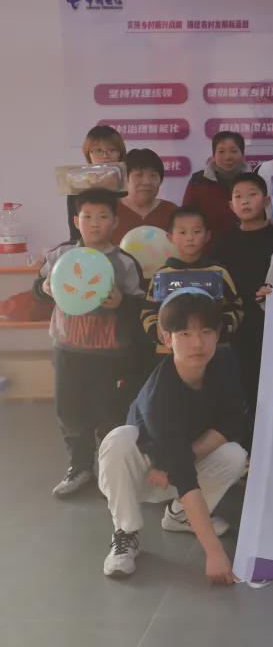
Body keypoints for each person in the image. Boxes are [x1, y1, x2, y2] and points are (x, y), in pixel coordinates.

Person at [98, 289, 247, 582]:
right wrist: (214, 552)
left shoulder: (225, 362)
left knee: (235, 455)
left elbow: (234, 422)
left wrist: (179, 458)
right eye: (185, 334)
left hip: (172, 465)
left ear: (218, 334)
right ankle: (125, 532)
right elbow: (183, 475)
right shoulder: (160, 394)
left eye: (206, 332)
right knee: (119, 439)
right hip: (143, 474)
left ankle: (181, 516)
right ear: (167, 339)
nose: (198, 343)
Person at [34, 189, 145, 497]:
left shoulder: (124, 262)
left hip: (110, 355)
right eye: (87, 216)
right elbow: (37, 289)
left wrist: (121, 303)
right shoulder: (60, 255)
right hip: (67, 350)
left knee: (110, 413)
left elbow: (141, 306)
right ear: (76, 220)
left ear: (115, 222)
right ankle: (80, 467)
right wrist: (44, 288)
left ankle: (112, 472)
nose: (95, 223)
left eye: (103, 216)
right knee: (70, 411)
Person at [212, 174, 273, 423]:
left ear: (266, 200)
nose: (245, 201)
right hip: (236, 330)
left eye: (252, 195)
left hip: (272, 328)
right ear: (231, 205)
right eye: (238, 196)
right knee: (241, 389)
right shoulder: (222, 243)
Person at [141, 206, 243, 356]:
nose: (190, 238)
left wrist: (221, 329)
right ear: (170, 237)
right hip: (169, 353)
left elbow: (236, 308)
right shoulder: (162, 274)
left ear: (207, 235)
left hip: (214, 351)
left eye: (196, 231)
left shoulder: (218, 273)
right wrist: (156, 330)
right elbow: (149, 311)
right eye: (182, 232)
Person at [182, 131, 251, 245]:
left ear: (242, 154)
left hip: (247, 245)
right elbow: (186, 218)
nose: (228, 157)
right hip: (208, 248)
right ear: (214, 155)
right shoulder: (198, 181)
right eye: (221, 151)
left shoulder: (254, 180)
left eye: (233, 151)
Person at [68, 125, 128, 241]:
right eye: (98, 150)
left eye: (112, 150)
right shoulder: (77, 186)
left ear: (120, 153)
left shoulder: (129, 184)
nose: (105, 155)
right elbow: (75, 234)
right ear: (88, 154)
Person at [114, 149, 178, 243]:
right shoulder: (110, 210)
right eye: (138, 175)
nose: (147, 182)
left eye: (153, 175)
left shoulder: (172, 211)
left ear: (160, 180)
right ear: (125, 179)